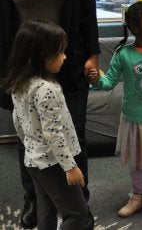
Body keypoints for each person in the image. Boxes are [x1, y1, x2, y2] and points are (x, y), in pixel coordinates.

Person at [0, 0, 100, 229]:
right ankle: (35, 199)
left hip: (67, 65)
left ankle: (78, 203)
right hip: (21, 69)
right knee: (28, 136)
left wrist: (93, 54)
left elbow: (87, 10)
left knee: (74, 136)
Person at [88, 1, 142, 221]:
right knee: (137, 161)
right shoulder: (123, 54)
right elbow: (108, 82)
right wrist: (96, 78)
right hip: (133, 120)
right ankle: (137, 196)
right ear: (135, 28)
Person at [2, 20, 89, 230]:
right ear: (42, 55)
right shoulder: (47, 89)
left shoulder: (20, 83)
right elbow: (53, 134)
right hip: (54, 163)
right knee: (78, 214)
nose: (65, 57)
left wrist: (31, 146)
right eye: (60, 52)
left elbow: (18, 120)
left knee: (46, 210)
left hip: (33, 160)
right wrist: (70, 167)